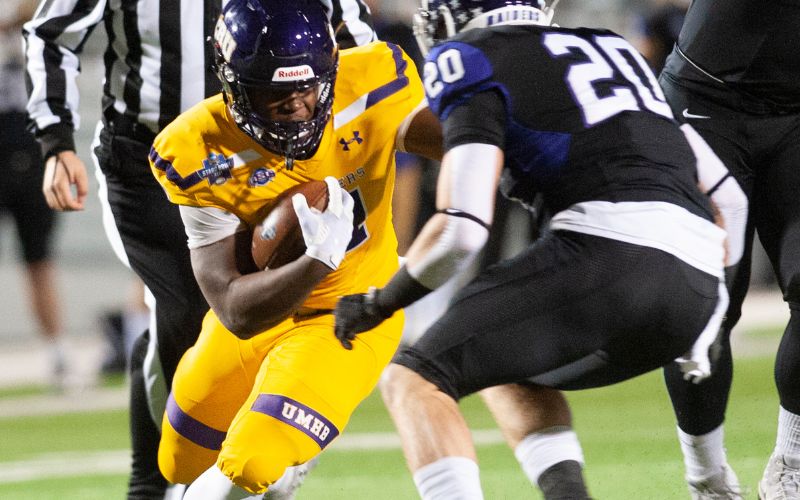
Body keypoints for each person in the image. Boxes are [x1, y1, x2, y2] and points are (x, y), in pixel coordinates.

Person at [333, 1, 748, 499]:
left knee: (414, 378)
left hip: (605, 254)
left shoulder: (468, 56)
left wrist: (381, 302)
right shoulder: (611, 47)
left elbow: (462, 227)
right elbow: (729, 197)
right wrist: (717, 307)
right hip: (696, 283)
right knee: (500, 362)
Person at [23, 0, 376, 497]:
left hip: (273, 160)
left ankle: (262, 447)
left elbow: (357, 43)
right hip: (148, 163)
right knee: (192, 307)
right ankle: (159, 481)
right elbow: (50, 32)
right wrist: (56, 139)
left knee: (279, 306)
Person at [149, 0, 442, 498]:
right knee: (179, 460)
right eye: (274, 92)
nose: (296, 105)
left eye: (307, 87)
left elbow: (464, 143)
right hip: (262, 310)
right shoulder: (197, 148)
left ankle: (283, 449)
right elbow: (233, 309)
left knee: (251, 462)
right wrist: (313, 262)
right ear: (233, 83)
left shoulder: (372, 81)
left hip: (352, 312)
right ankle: (286, 453)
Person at [657, 1, 800, 498]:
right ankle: (707, 477)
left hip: (794, 115)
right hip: (706, 101)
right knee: (702, 304)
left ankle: (791, 467)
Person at [1, 0, 68, 391]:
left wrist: (11, 21)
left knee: (39, 261)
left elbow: (41, 10)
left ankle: (57, 352)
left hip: (27, 150)